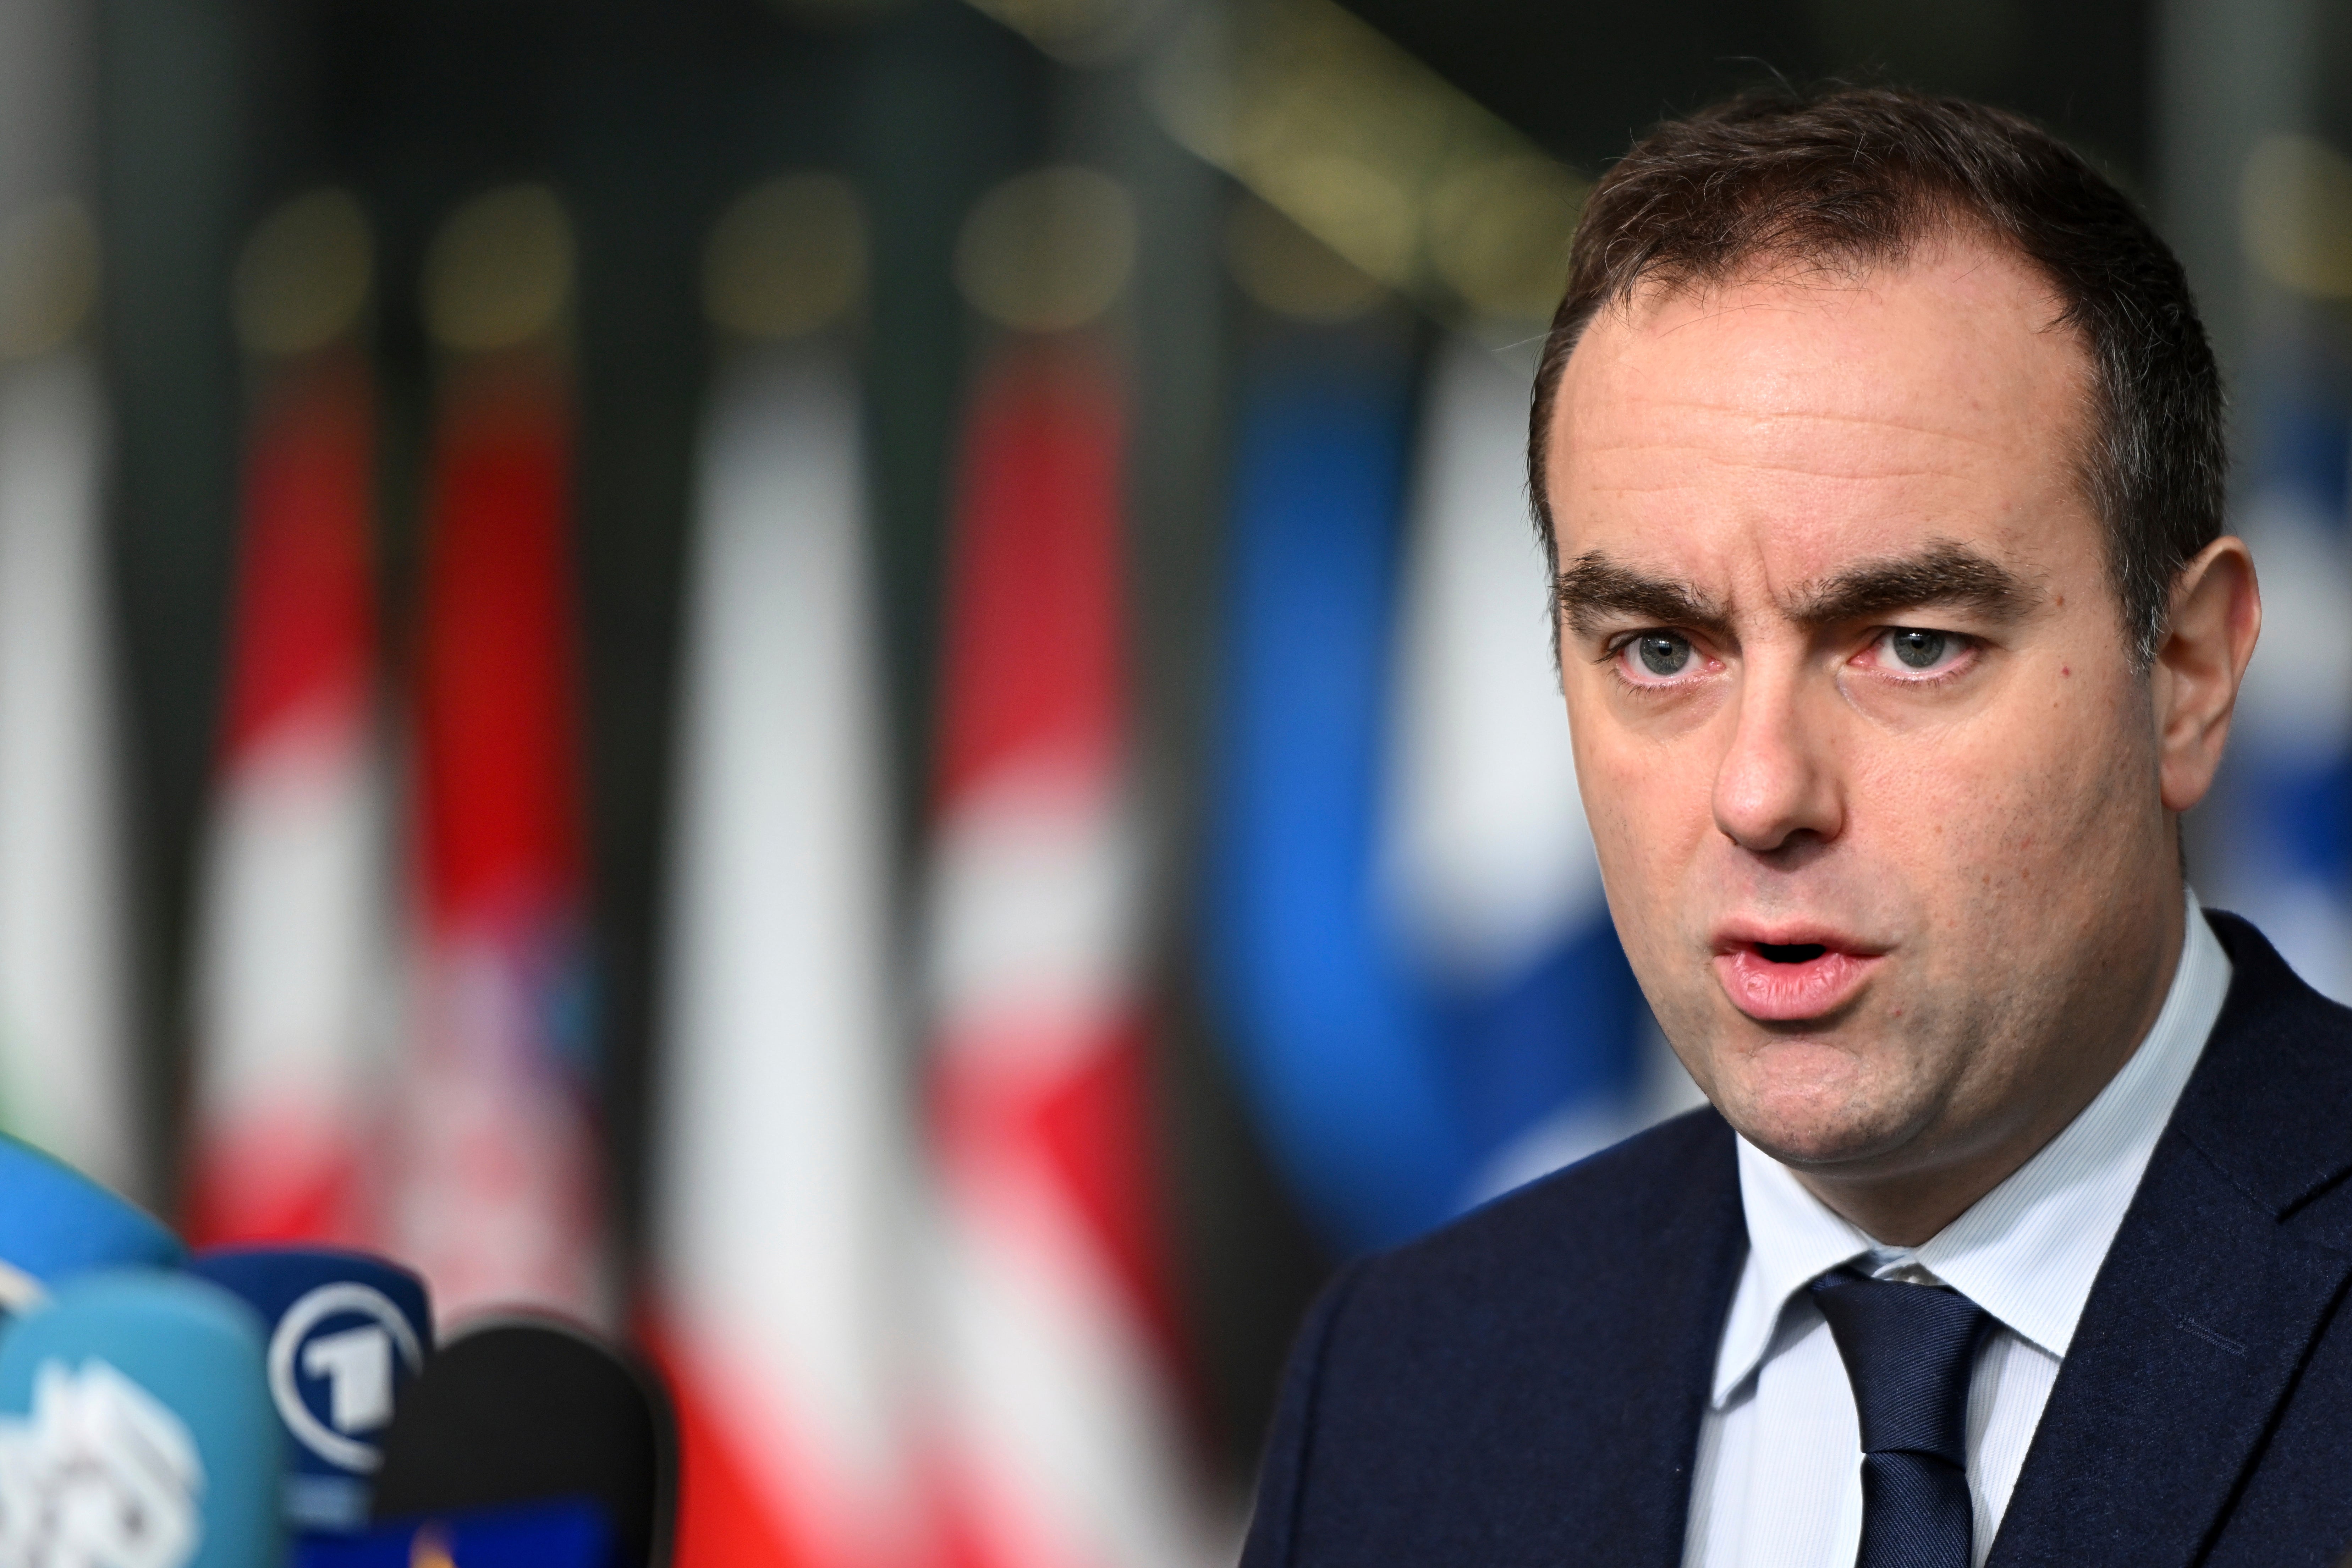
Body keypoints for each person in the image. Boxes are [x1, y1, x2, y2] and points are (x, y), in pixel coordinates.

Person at [1237, 87, 2352, 1568]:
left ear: (2188, 672)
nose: (1760, 793)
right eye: (1658, 648)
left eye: (1907, 641)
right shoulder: (1411, 1380)